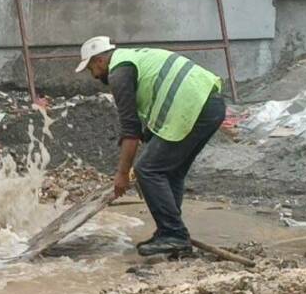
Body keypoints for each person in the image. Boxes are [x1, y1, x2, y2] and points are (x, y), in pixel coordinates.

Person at [74, 36, 226, 256]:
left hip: (193, 107)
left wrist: (123, 173)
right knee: (170, 171)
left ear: (99, 60)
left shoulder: (118, 72)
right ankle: (172, 233)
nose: (95, 76)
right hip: (210, 105)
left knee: (147, 170)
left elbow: (130, 131)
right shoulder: (134, 57)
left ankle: (173, 235)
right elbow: (151, 110)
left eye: (91, 69)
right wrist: (147, 136)